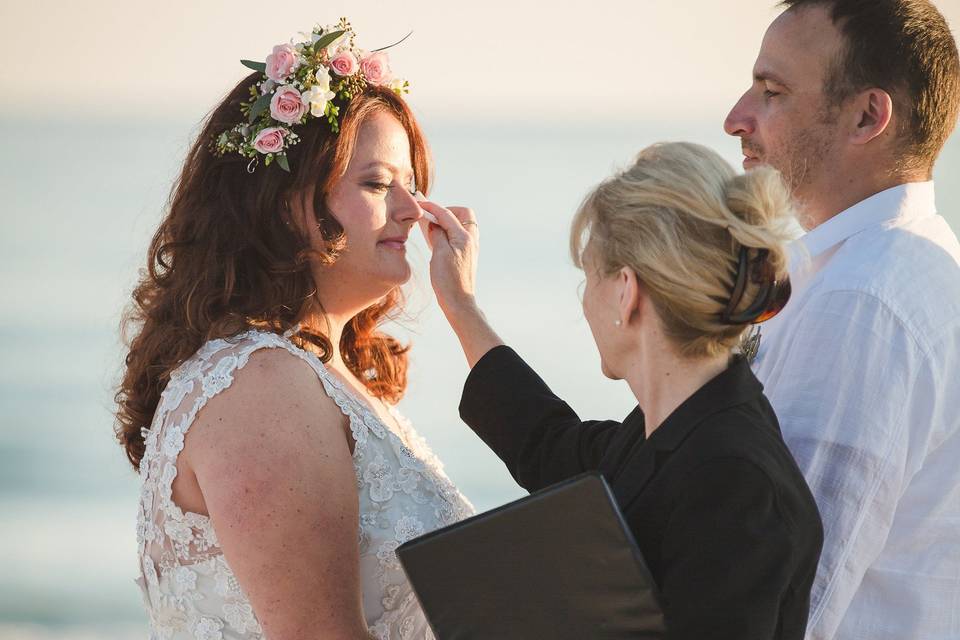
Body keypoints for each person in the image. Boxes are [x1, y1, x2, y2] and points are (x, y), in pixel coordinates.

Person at [114, 21, 473, 640]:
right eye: (378, 184)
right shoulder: (261, 387)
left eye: (413, 187)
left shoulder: (320, 377)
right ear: (286, 202)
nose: (413, 211)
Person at [417, 141, 824, 639]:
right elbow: (547, 444)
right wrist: (461, 305)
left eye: (588, 276)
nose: (584, 301)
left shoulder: (733, 483)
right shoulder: (674, 426)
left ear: (626, 291)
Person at [723, 1, 960, 637]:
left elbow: (794, 596)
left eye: (771, 92)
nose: (735, 119)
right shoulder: (903, 265)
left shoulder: (864, 300)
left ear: (866, 116)